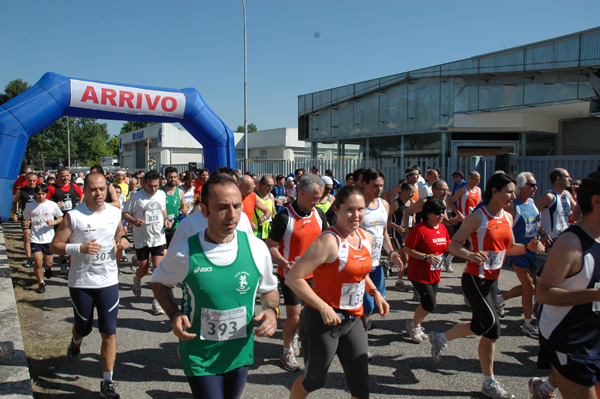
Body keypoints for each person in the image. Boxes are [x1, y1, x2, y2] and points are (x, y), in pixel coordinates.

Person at [151, 174, 279, 399]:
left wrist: (271, 311)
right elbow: (159, 282)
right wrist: (174, 312)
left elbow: (269, 290)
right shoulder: (185, 252)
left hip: (239, 352)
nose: (232, 215)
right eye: (222, 207)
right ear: (204, 210)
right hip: (200, 353)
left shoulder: (256, 248)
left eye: (237, 206)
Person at [429, 172, 544, 399]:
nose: (513, 195)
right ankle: (488, 383)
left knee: (480, 326)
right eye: (509, 191)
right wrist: (470, 255)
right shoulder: (477, 217)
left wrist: (529, 247)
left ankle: (440, 337)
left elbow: (510, 248)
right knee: (492, 327)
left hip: (493, 279)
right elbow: (454, 245)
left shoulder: (508, 218)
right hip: (474, 279)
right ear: (495, 192)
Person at [285, 185, 390, 399]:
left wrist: (374, 292)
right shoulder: (328, 241)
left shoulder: (366, 238)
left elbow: (358, 272)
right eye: (349, 210)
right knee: (314, 380)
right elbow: (293, 278)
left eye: (360, 209)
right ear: (337, 210)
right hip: (322, 321)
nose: (356, 215)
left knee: (361, 387)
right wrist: (323, 307)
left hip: (354, 319)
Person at [50, 172, 130, 399]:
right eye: (93, 189)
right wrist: (78, 248)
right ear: (84, 190)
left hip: (108, 281)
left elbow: (119, 231)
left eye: (102, 189)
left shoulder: (115, 212)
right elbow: (55, 246)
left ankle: (107, 382)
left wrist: (123, 239)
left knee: (109, 332)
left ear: (108, 190)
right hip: (81, 282)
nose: (98, 193)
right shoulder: (74, 216)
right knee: (84, 326)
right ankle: (76, 342)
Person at [533, 171, 600, 399]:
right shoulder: (571, 243)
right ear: (596, 200)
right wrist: (594, 295)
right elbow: (543, 294)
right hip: (570, 340)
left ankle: (541, 390)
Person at [266, 174, 328, 372]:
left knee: (309, 314)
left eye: (319, 198)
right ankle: (286, 351)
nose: (317, 202)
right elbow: (270, 246)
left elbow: (327, 240)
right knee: (294, 314)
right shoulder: (284, 217)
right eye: (314, 197)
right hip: (291, 276)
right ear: (300, 193)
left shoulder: (319, 214)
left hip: (316, 275)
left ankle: (297, 339)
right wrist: (285, 262)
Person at [495, 172, 542, 338]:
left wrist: (542, 233)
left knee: (532, 287)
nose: (535, 188)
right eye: (532, 185)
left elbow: (536, 222)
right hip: (518, 250)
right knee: (529, 287)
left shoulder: (532, 203)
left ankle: (500, 299)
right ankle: (528, 323)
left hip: (532, 250)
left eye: (535, 185)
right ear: (521, 188)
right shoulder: (512, 205)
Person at [359, 168, 403, 337]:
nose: (379, 189)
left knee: (376, 305)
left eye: (381, 186)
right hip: (361, 264)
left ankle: (360, 330)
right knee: (367, 305)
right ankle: (359, 338)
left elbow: (384, 233)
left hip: (377, 263)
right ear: (364, 185)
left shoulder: (384, 205)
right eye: (375, 186)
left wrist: (391, 253)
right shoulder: (358, 206)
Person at [122, 170, 171, 315]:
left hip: (158, 237)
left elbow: (163, 209)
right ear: (144, 183)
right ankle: (137, 278)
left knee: (158, 270)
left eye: (156, 186)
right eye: (151, 186)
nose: (154, 189)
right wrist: (133, 221)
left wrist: (166, 219)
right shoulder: (137, 197)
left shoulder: (161, 194)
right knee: (144, 270)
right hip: (142, 238)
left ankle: (156, 301)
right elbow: (125, 213)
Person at [404, 198, 450, 342]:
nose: (441, 215)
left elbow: (448, 245)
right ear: (428, 213)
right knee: (430, 303)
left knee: (428, 303)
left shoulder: (442, 228)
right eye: (437, 213)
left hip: (434, 272)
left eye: (442, 212)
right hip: (419, 273)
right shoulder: (420, 229)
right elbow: (407, 249)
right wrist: (425, 256)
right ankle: (414, 325)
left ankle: (416, 324)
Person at [22, 184, 63, 293]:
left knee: (48, 262)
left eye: (43, 194)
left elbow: (61, 218)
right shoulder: (30, 206)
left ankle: (48, 268)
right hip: (35, 239)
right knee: (37, 262)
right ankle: (41, 283)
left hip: (49, 238)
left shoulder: (52, 205)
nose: (41, 196)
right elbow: (25, 218)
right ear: (35, 194)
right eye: (38, 194)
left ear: (46, 194)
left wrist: (53, 222)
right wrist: (26, 222)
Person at [48, 167, 84, 273]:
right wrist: (55, 205)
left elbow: (82, 196)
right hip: (59, 218)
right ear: (58, 176)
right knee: (61, 241)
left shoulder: (74, 186)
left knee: (71, 240)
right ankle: (63, 261)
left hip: (72, 217)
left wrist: (80, 206)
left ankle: (72, 263)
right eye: (63, 176)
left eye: (67, 175)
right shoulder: (52, 188)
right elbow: (45, 202)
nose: (65, 178)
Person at [445, 171, 483, 272]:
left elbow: (480, 205)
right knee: (460, 242)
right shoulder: (463, 190)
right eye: (476, 179)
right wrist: (459, 214)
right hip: (463, 220)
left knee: (475, 241)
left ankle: (471, 264)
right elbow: (451, 202)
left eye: (479, 179)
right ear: (470, 178)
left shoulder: (479, 190)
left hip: (474, 220)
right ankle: (448, 260)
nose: (478, 181)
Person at [536, 168, 579, 247]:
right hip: (552, 239)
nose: (570, 179)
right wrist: (542, 232)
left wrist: (580, 194)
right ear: (558, 179)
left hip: (565, 237)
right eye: (567, 177)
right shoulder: (549, 196)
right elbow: (532, 216)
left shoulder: (567, 194)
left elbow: (578, 212)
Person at [388, 181, 416, 292]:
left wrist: (413, 230)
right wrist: (396, 227)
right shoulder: (396, 203)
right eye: (410, 191)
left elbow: (413, 219)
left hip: (409, 232)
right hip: (398, 233)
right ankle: (399, 282)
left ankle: (386, 263)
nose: (412, 193)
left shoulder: (413, 203)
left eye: (414, 191)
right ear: (403, 191)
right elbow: (386, 219)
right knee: (405, 258)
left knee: (406, 257)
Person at [11, 172, 38, 267]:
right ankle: (29, 258)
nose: (32, 182)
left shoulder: (40, 190)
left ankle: (38, 257)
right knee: (27, 236)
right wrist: (15, 214)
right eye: (30, 180)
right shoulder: (21, 191)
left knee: (37, 238)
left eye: (34, 180)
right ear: (26, 180)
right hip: (26, 217)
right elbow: (14, 201)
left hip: (38, 217)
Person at [161, 167, 188, 249]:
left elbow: (184, 207)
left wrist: (185, 210)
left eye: (175, 177)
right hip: (161, 228)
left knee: (173, 253)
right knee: (162, 254)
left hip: (174, 227)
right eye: (170, 177)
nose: (173, 179)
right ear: (166, 178)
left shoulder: (180, 192)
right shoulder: (160, 191)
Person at [253, 175, 276, 241]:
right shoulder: (254, 195)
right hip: (255, 232)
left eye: (272, 186)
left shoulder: (271, 196)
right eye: (269, 185)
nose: (271, 188)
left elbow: (273, 212)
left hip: (267, 231)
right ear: (261, 184)